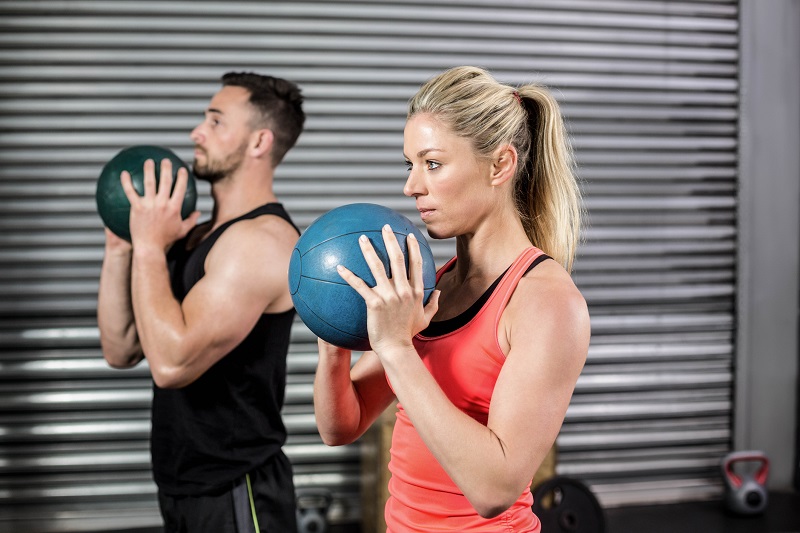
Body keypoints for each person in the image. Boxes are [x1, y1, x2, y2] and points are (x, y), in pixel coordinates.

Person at [313, 66, 590, 532]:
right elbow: (341, 426)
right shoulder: (433, 287)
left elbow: (494, 490)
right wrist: (334, 336)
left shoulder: (546, 304)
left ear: (500, 165)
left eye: (433, 164)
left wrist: (397, 348)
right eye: (410, 164)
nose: (412, 186)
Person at [97, 72, 305, 532]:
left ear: (258, 142)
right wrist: (123, 249)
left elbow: (171, 364)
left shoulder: (262, 242)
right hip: (182, 484)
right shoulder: (195, 236)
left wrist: (150, 247)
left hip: (236, 487)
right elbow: (122, 347)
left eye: (215, 121)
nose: (197, 132)